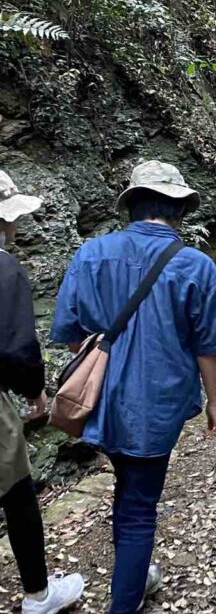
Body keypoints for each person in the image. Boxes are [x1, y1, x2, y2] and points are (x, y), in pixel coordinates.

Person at [50, 161, 216, 613]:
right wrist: (214, 401)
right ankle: (126, 598)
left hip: (105, 398)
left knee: (127, 488)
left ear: (132, 205)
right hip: (161, 402)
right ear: (178, 208)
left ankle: (134, 575)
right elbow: (206, 346)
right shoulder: (195, 265)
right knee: (138, 504)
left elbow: (71, 331)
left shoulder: (91, 254)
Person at [0, 170, 86, 613]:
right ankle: (38, 594)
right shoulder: (3, 267)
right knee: (16, 491)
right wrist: (34, 393)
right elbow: (16, 346)